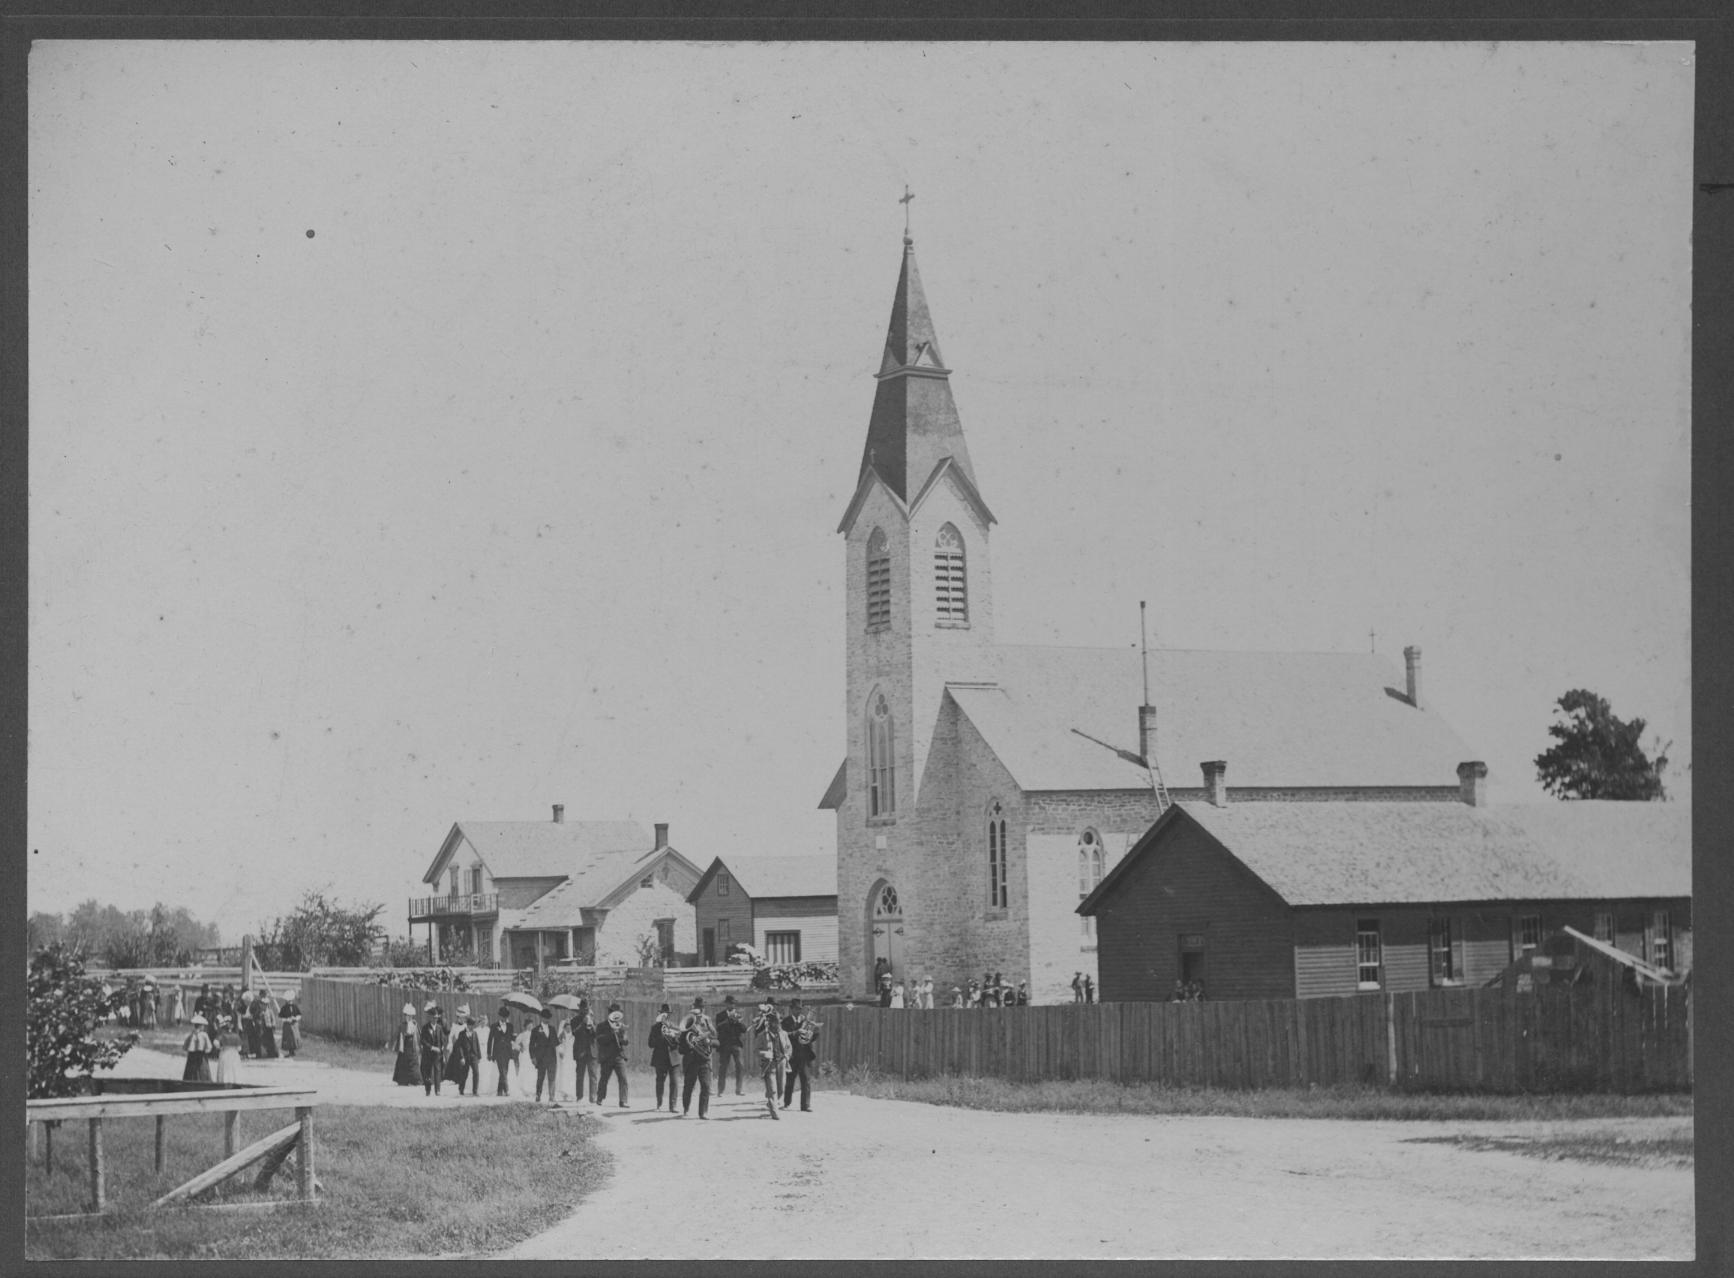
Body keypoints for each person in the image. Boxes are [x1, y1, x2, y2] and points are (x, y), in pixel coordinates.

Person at [679, 997, 718, 1119]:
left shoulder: (707, 1021)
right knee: (688, 1086)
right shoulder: (687, 1022)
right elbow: (681, 1047)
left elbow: (716, 1040)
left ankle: (703, 1112)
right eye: (697, 1008)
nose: (699, 1010)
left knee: (706, 1086)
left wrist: (708, 1041)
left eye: (701, 1008)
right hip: (691, 1061)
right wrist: (690, 1044)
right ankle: (686, 1108)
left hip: (704, 1059)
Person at [753, 999, 790, 1120]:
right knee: (772, 1089)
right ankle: (775, 1112)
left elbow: (789, 1047)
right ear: (770, 1023)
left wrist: (787, 1056)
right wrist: (765, 1053)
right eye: (775, 1022)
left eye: (778, 1022)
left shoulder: (784, 1034)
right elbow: (756, 1051)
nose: (777, 1024)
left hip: (781, 1063)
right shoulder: (762, 1035)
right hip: (769, 1065)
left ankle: (772, 1104)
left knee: (781, 1088)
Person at [781, 998, 818, 1113]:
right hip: (792, 1055)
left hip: (804, 1055)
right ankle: (787, 1103)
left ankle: (805, 1105)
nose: (799, 1011)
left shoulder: (806, 1021)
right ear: (791, 1009)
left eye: (800, 1009)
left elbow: (814, 1035)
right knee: (790, 1080)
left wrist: (812, 1032)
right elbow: (783, 1035)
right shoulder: (785, 1022)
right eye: (797, 1009)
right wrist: (796, 1033)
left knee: (806, 1080)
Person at [595, 1003, 630, 1108]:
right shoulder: (601, 1026)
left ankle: (623, 1101)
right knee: (604, 1078)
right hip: (606, 1057)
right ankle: (600, 1098)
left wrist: (621, 1034)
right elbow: (599, 1040)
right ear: (609, 1013)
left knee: (623, 1078)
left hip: (619, 1056)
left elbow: (626, 1042)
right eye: (613, 1012)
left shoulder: (621, 1026)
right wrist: (612, 1034)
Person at [648, 1004, 680, 1113]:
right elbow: (650, 1044)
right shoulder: (655, 1028)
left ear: (670, 1015)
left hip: (673, 1059)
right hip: (660, 1058)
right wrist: (661, 1037)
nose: (665, 1016)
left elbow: (679, 1043)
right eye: (663, 1014)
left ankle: (673, 1106)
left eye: (667, 1014)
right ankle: (659, 1104)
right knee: (660, 1082)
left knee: (674, 1082)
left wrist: (673, 1036)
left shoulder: (675, 1027)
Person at [714, 994, 747, 1096]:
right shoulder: (720, 1016)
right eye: (730, 1003)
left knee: (740, 1066)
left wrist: (738, 1022)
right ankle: (720, 1090)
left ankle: (739, 1090)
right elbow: (718, 1028)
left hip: (736, 1044)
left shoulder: (738, 1015)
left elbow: (744, 1029)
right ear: (726, 1004)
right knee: (723, 1067)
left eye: (733, 1004)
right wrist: (728, 1020)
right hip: (724, 1045)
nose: (732, 1005)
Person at [570, 1001, 598, 1105]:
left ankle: (593, 1097)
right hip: (580, 1051)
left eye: (587, 1009)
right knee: (580, 1075)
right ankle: (579, 1097)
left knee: (593, 1075)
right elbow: (574, 1033)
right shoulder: (574, 1020)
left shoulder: (593, 1019)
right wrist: (583, 1023)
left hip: (591, 1052)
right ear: (580, 1009)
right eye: (584, 1009)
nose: (586, 1011)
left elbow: (596, 1034)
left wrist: (591, 1024)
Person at [448, 1009, 482, 1095]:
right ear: (468, 1025)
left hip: (474, 1056)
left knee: (476, 1073)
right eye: (471, 1025)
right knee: (464, 1074)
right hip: (466, 1057)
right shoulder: (462, 1034)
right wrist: (462, 1057)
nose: (472, 1027)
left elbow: (477, 1045)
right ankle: (461, 1089)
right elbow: (459, 1047)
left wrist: (479, 1056)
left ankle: (475, 1091)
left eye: (473, 1026)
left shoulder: (475, 1033)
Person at [528, 1007, 558, 1103]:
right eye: (545, 1017)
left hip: (552, 1058)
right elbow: (531, 1045)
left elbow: (556, 1043)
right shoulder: (535, 1030)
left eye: (548, 1018)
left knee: (552, 1078)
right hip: (541, 1058)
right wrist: (533, 1057)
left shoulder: (552, 1029)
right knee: (540, 1078)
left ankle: (552, 1096)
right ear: (541, 1018)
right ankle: (538, 1095)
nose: (547, 1019)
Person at [421, 1003, 450, 1097]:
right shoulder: (425, 1028)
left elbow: (443, 1039)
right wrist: (432, 1047)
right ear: (430, 1018)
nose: (435, 1020)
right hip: (428, 1053)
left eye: (437, 1018)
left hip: (437, 1054)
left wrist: (442, 1048)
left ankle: (438, 1090)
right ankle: (428, 1089)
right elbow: (423, 1041)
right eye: (433, 1018)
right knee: (427, 1072)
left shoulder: (439, 1028)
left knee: (438, 1071)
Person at [392, 1003, 422, 1087]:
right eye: (407, 1015)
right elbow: (397, 1035)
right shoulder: (402, 1025)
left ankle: (415, 1080)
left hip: (412, 1045)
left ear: (412, 1016)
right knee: (402, 1062)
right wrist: (392, 1043)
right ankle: (402, 1080)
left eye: (410, 1016)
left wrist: (420, 1045)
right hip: (404, 1045)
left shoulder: (415, 1025)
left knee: (414, 1063)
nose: (408, 1017)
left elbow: (419, 1036)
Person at [487, 1009, 516, 1096]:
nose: (504, 1019)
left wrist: (514, 1037)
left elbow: (511, 1038)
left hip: (507, 1051)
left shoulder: (510, 1026)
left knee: (504, 1071)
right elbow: (490, 1040)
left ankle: (499, 1091)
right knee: (502, 1070)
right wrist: (489, 1053)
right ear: (499, 1016)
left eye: (506, 1017)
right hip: (498, 1051)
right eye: (503, 1017)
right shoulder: (494, 1026)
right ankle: (506, 1090)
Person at [182, 1013, 214, 1082]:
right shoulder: (204, 1035)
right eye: (203, 1026)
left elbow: (186, 1046)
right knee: (202, 1069)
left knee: (191, 1069)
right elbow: (209, 1047)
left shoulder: (191, 1034)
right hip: (201, 1056)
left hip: (192, 1056)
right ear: (201, 1026)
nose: (204, 1027)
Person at [553, 1008, 575, 1103]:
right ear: (564, 1027)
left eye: (570, 1027)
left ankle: (571, 1093)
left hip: (572, 1056)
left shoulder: (573, 1035)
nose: (568, 1028)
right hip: (565, 1057)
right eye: (567, 1027)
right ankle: (564, 1093)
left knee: (571, 1074)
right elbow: (559, 1045)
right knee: (564, 1074)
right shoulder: (562, 1035)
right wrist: (561, 1052)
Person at [213, 1015, 243, 1084]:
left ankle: (224, 1082)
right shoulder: (236, 1036)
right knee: (234, 1068)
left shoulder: (221, 1035)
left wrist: (220, 1048)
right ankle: (235, 1081)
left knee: (224, 1068)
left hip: (224, 1052)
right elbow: (239, 1048)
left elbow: (216, 1043)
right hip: (234, 1054)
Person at [257, 990, 280, 1058]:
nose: (264, 1006)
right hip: (263, 1028)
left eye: (265, 1004)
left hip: (269, 1028)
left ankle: (273, 1052)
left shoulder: (270, 1011)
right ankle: (266, 1052)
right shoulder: (260, 1012)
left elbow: (273, 1019)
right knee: (264, 1041)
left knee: (271, 1041)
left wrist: (273, 1025)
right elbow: (259, 1019)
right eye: (263, 1004)